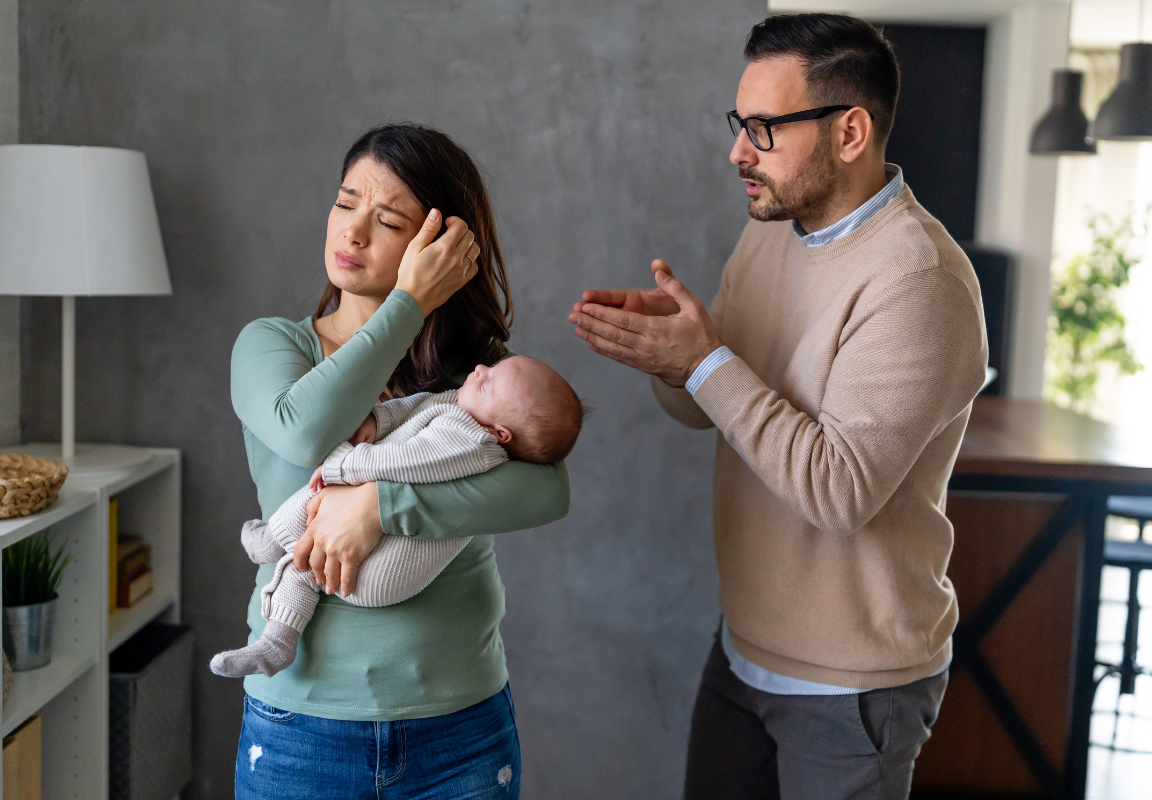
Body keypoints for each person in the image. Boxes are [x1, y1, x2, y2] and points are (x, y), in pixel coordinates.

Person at [569, 13, 987, 800]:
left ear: (851, 131)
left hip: (850, 686)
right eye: (740, 124)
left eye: (763, 129)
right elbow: (713, 407)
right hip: (742, 650)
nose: (738, 152)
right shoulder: (771, 231)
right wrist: (675, 354)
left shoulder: (918, 281)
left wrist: (705, 360)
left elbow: (838, 490)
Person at [230, 122, 568, 799]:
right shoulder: (272, 347)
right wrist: (409, 305)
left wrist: (380, 505)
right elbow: (304, 432)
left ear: (440, 247)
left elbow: (546, 493)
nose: (352, 232)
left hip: (458, 726)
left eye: (386, 219)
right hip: (302, 723)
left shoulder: (478, 378)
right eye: (345, 201)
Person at [212, 356, 585, 679]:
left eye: (489, 382)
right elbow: (415, 407)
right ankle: (277, 643)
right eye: (491, 368)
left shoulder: (470, 441)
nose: (480, 368)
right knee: (304, 567)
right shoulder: (464, 408)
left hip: (385, 571)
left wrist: (341, 465)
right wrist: (378, 418)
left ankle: (269, 541)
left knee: (318, 497)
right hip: (379, 572)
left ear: (499, 432)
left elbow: (402, 460)